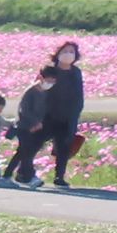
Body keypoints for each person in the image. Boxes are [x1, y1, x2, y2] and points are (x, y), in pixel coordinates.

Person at [43, 39, 86, 188]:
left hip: (68, 116)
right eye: (65, 51)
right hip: (48, 115)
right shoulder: (50, 70)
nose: (68, 54)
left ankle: (59, 177)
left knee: (63, 148)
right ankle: (22, 172)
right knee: (33, 144)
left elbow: (79, 95)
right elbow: (40, 90)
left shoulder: (76, 72)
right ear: (58, 54)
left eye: (71, 52)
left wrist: (75, 115)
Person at [4, 66, 56, 185]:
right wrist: (34, 123)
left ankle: (7, 175)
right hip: (23, 127)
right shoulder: (31, 91)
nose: (50, 83)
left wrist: (40, 123)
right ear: (41, 78)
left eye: (53, 81)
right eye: (49, 80)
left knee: (21, 153)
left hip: (34, 128)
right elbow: (24, 110)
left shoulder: (45, 93)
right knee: (27, 153)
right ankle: (29, 177)